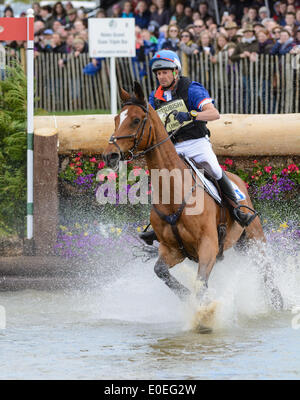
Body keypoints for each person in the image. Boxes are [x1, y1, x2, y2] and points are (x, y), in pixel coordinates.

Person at [139, 50, 257, 245]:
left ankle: (237, 208)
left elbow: (214, 114)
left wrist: (192, 115)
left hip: (196, 143)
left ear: (176, 71)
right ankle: (158, 224)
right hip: (172, 147)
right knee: (162, 179)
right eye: (159, 73)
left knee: (214, 170)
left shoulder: (191, 88)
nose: (162, 76)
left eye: (166, 72)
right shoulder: (155, 96)